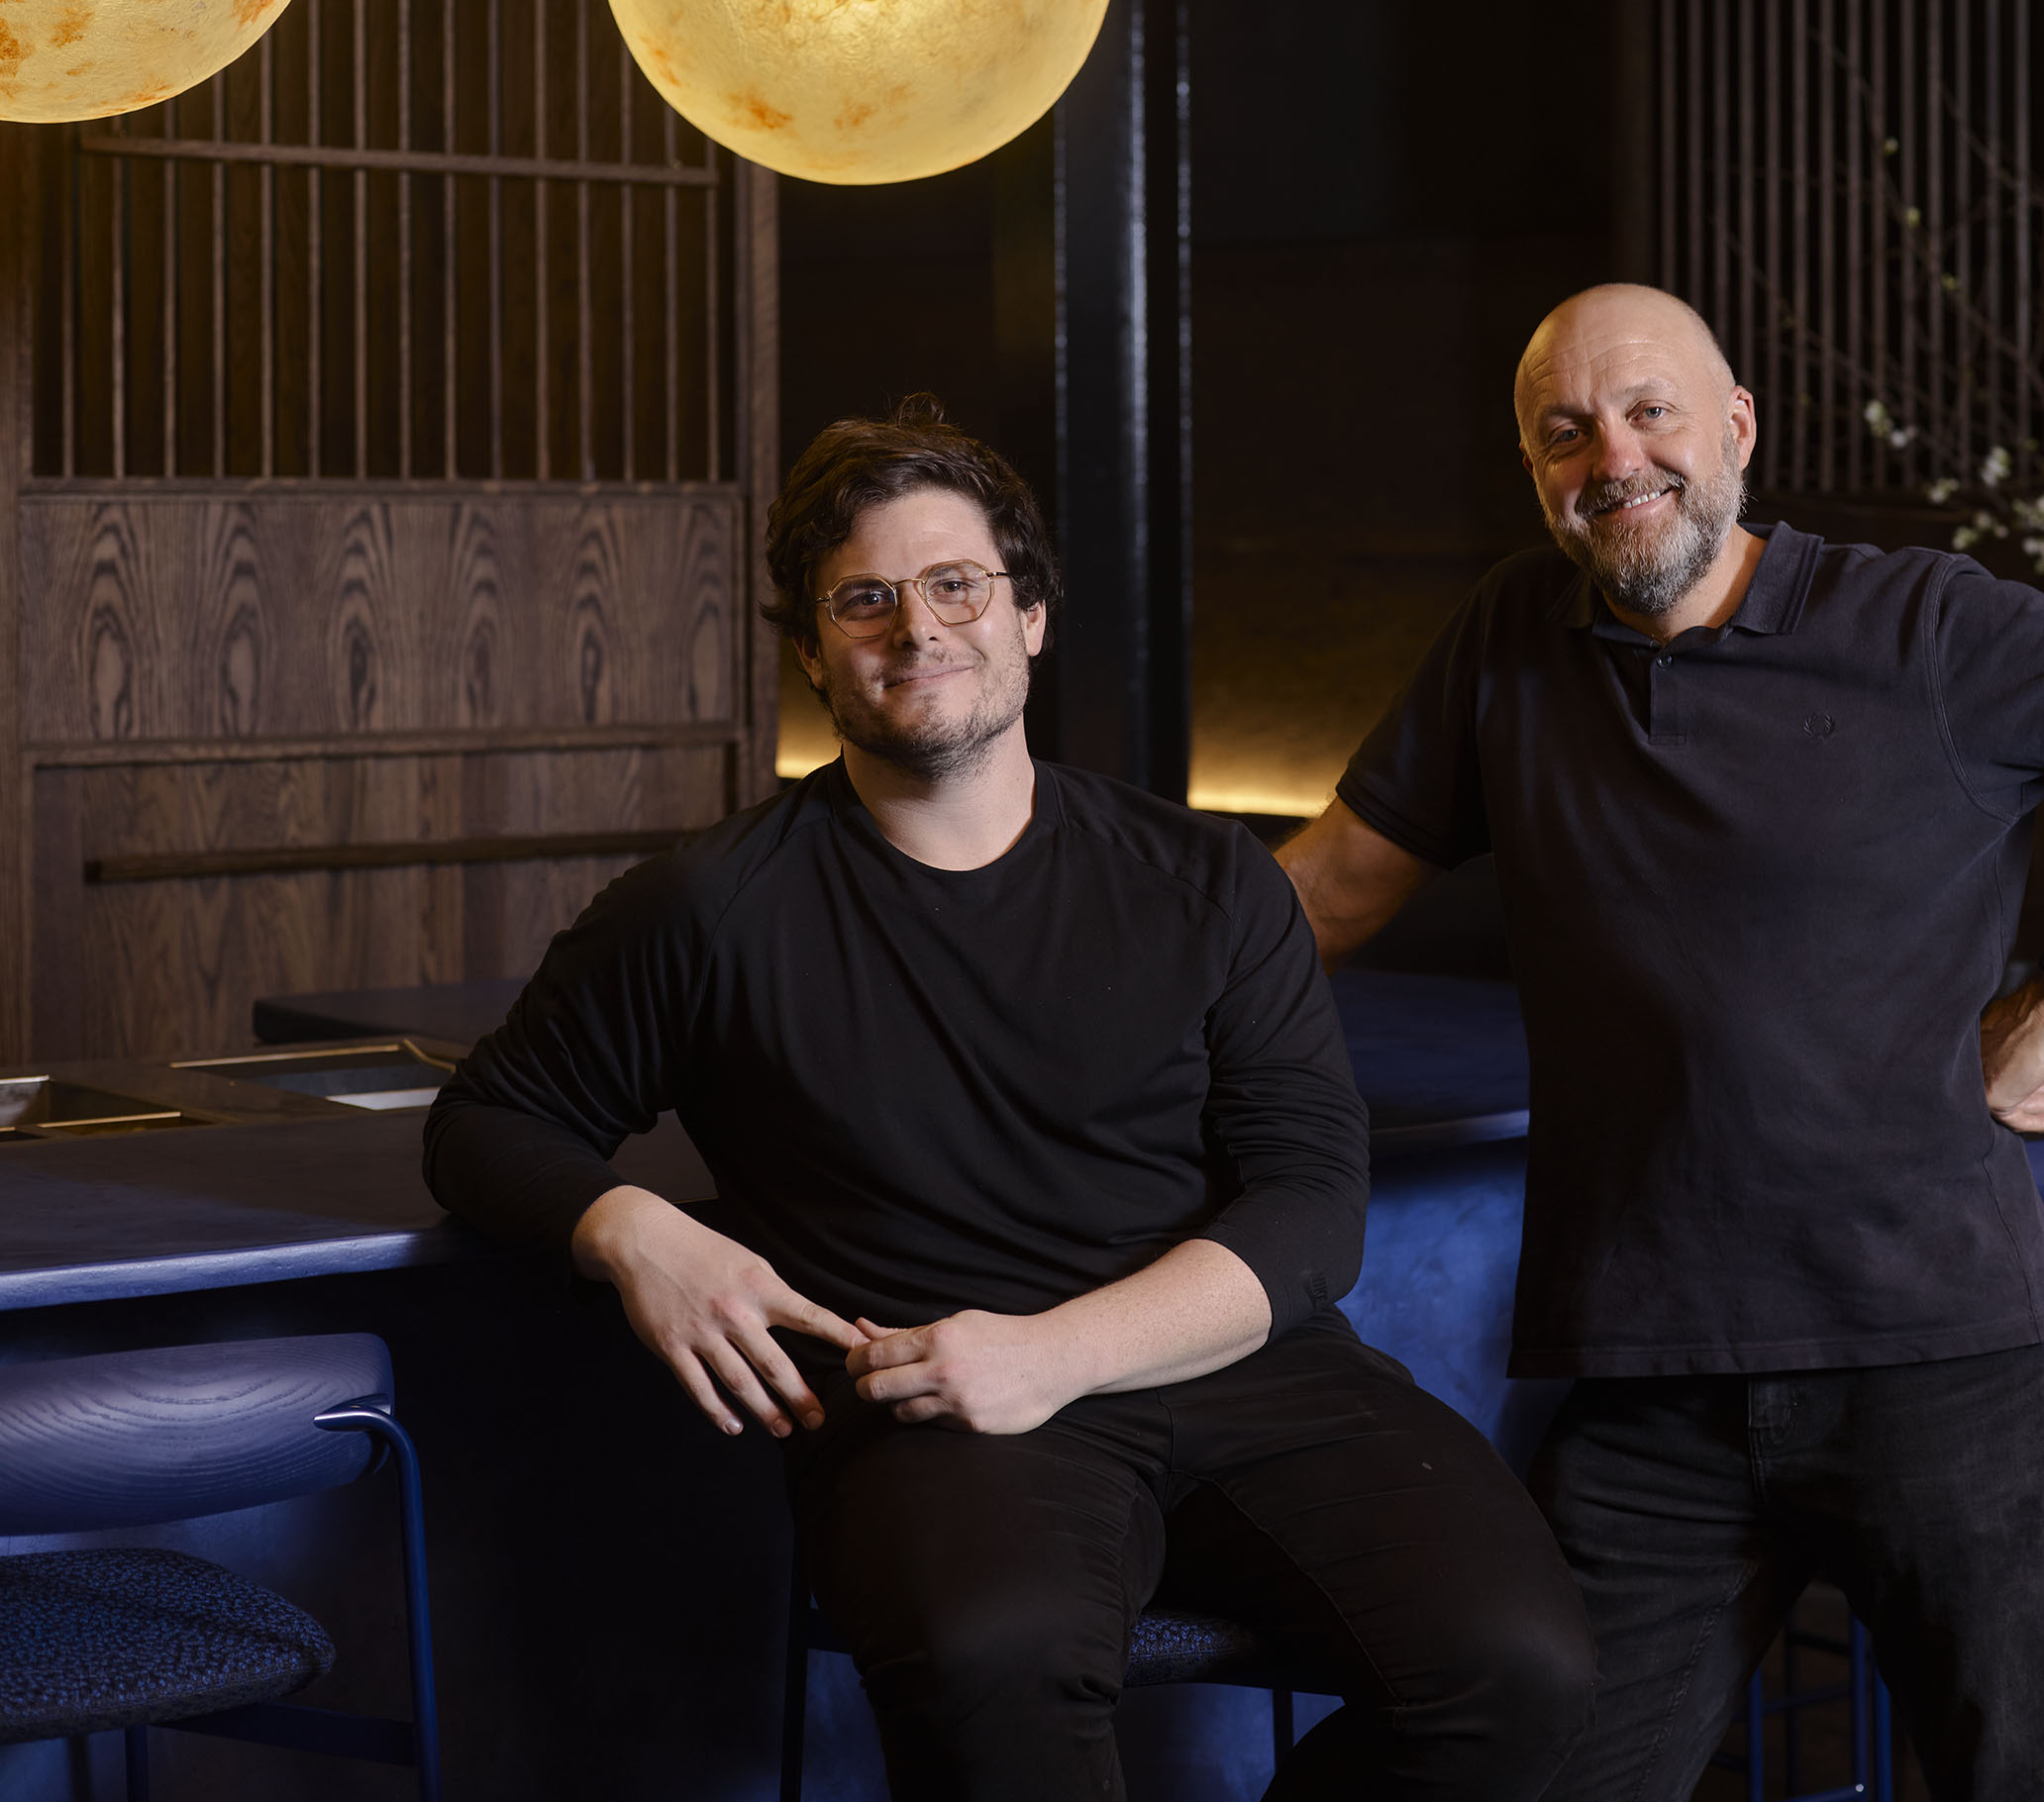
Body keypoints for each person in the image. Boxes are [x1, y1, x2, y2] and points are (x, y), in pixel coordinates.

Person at [424, 398, 1591, 1802]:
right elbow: (483, 1123)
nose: (917, 628)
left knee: (1524, 1670)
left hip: (1245, 1376)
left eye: (957, 584)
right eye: (865, 599)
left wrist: (1055, 1352)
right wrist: (634, 1230)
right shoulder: (705, 910)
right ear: (814, 653)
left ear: (1029, 616)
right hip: (932, 1404)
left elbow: (1313, 1207)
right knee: (996, 1662)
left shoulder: (1208, 881)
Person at [1277, 285, 2044, 1802]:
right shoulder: (1509, 638)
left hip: (1932, 1348)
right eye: (1566, 432)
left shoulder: (1926, 624)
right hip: (1653, 1376)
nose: (1614, 457)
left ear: (1737, 429)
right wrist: (1061, 977)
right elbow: (1325, 893)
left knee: (2015, 1784)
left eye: (1650, 412)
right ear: (1533, 468)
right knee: (1545, 1774)